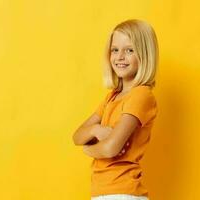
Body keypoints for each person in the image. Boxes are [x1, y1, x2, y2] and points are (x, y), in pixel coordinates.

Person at [73, 19, 159, 200]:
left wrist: (88, 150)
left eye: (129, 50)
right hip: (104, 192)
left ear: (144, 55)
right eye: (115, 50)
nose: (120, 57)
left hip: (123, 192)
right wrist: (97, 130)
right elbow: (77, 136)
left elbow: (111, 148)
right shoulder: (112, 97)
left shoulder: (140, 95)